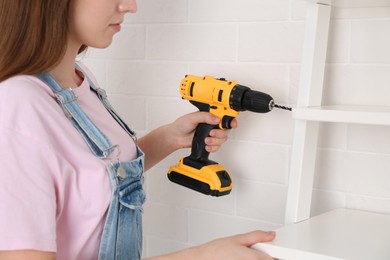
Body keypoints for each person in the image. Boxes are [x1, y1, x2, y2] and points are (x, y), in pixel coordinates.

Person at [0, 0, 276, 259]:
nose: (130, 6)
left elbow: (87, 180)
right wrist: (202, 255)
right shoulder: (17, 106)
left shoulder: (80, 80)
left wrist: (170, 137)